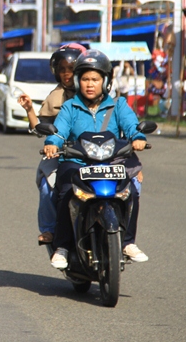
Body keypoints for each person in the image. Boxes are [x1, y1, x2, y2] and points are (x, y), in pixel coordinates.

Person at [43, 50, 149, 269]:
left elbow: (131, 125)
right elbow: (59, 130)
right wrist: (52, 143)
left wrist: (138, 137)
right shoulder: (70, 107)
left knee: (131, 190)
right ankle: (62, 246)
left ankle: (128, 242)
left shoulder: (118, 105)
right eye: (84, 79)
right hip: (78, 163)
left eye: (95, 79)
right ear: (77, 81)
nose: (89, 84)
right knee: (64, 192)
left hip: (111, 163)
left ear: (106, 81)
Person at [18, 44, 86, 244]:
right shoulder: (55, 97)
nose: (67, 74)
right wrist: (30, 109)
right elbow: (41, 128)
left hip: (97, 152)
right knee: (48, 184)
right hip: (64, 153)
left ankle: (124, 238)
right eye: (62, 70)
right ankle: (49, 229)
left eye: (71, 69)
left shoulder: (100, 94)